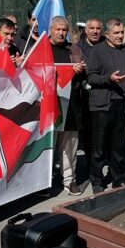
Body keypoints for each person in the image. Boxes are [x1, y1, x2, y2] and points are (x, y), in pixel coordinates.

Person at [87, 18, 125, 193]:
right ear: (107, 35)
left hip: (122, 104)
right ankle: (97, 180)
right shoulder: (97, 51)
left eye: (122, 33)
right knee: (99, 146)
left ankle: (118, 177)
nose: (120, 36)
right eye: (116, 33)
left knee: (119, 145)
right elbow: (91, 77)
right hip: (102, 105)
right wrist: (109, 79)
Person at [47, 16, 85, 195]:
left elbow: (84, 76)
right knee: (47, 146)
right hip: (47, 106)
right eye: (58, 29)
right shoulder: (41, 49)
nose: (61, 33)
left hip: (70, 105)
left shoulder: (74, 50)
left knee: (69, 145)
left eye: (64, 30)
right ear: (51, 30)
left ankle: (69, 181)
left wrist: (79, 71)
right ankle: (44, 182)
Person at [76, 18, 103, 159]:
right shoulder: (77, 48)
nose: (95, 31)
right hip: (84, 98)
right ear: (86, 30)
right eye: (91, 28)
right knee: (88, 132)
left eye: (98, 28)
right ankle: (90, 161)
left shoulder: (106, 45)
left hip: (104, 95)